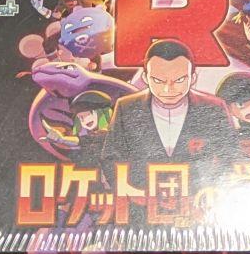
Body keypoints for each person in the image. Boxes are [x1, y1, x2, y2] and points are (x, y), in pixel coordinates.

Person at [101, 39, 235, 188]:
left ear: (193, 78)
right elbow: (111, 158)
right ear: (145, 78)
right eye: (158, 80)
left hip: (201, 196)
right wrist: (131, 193)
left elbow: (230, 155)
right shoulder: (126, 107)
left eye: (179, 80)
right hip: (142, 196)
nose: (168, 89)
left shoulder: (214, 108)